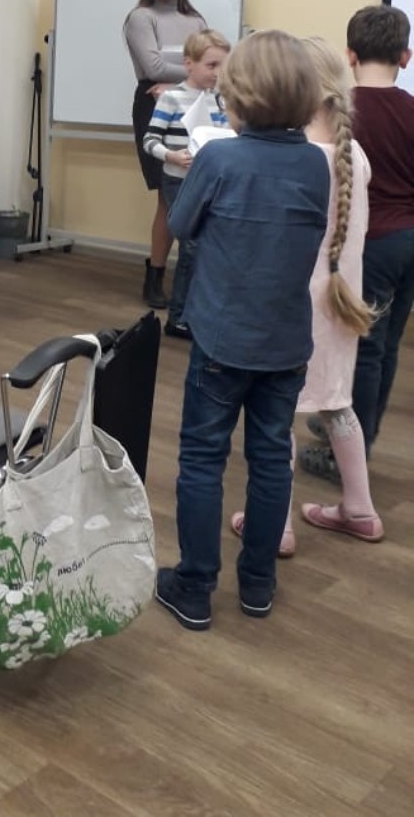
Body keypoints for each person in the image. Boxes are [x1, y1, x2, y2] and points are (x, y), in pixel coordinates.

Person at [155, 31, 329, 631]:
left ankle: (194, 587)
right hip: (286, 344)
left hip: (222, 341)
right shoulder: (315, 162)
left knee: (203, 458)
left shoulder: (220, 159)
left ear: (240, 93)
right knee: (271, 460)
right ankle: (258, 584)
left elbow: (181, 224)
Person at [231, 37, 382, 552]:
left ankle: (274, 525)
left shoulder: (297, 160)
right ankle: (359, 509)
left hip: (294, 309)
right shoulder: (354, 155)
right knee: (337, 404)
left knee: (278, 413)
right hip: (342, 303)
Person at [299, 4, 414, 479]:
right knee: (386, 346)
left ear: (349, 55)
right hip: (408, 243)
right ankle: (352, 428)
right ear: (405, 57)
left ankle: (348, 451)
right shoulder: (412, 108)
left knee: (361, 348)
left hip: (371, 245)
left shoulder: (340, 113)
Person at [123, 0, 206, 309]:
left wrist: (181, 83)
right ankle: (155, 277)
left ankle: (190, 277)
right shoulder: (141, 17)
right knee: (167, 197)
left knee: (195, 193)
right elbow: (153, 67)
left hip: (196, 106)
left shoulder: (196, 20)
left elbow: (213, 66)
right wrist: (195, 74)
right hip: (155, 105)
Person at [142, 29, 231, 338]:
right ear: (189, 64)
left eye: (222, 66)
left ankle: (196, 312)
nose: (217, 73)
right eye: (211, 65)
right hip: (178, 181)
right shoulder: (171, 98)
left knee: (204, 248)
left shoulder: (221, 100)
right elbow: (150, 140)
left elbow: (224, 136)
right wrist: (171, 155)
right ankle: (178, 318)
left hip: (209, 182)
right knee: (191, 247)